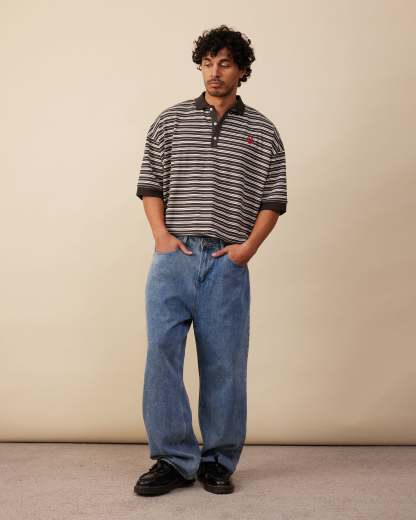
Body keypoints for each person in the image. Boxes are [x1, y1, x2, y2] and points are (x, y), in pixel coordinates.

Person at [133, 24, 287, 497]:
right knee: (161, 355)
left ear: (241, 71)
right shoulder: (170, 121)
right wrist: (161, 237)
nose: (214, 72)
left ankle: (218, 460)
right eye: (207, 63)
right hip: (174, 257)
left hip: (226, 262)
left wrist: (247, 250)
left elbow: (274, 198)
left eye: (224, 64)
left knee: (225, 364)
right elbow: (150, 183)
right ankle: (173, 459)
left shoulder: (263, 131)